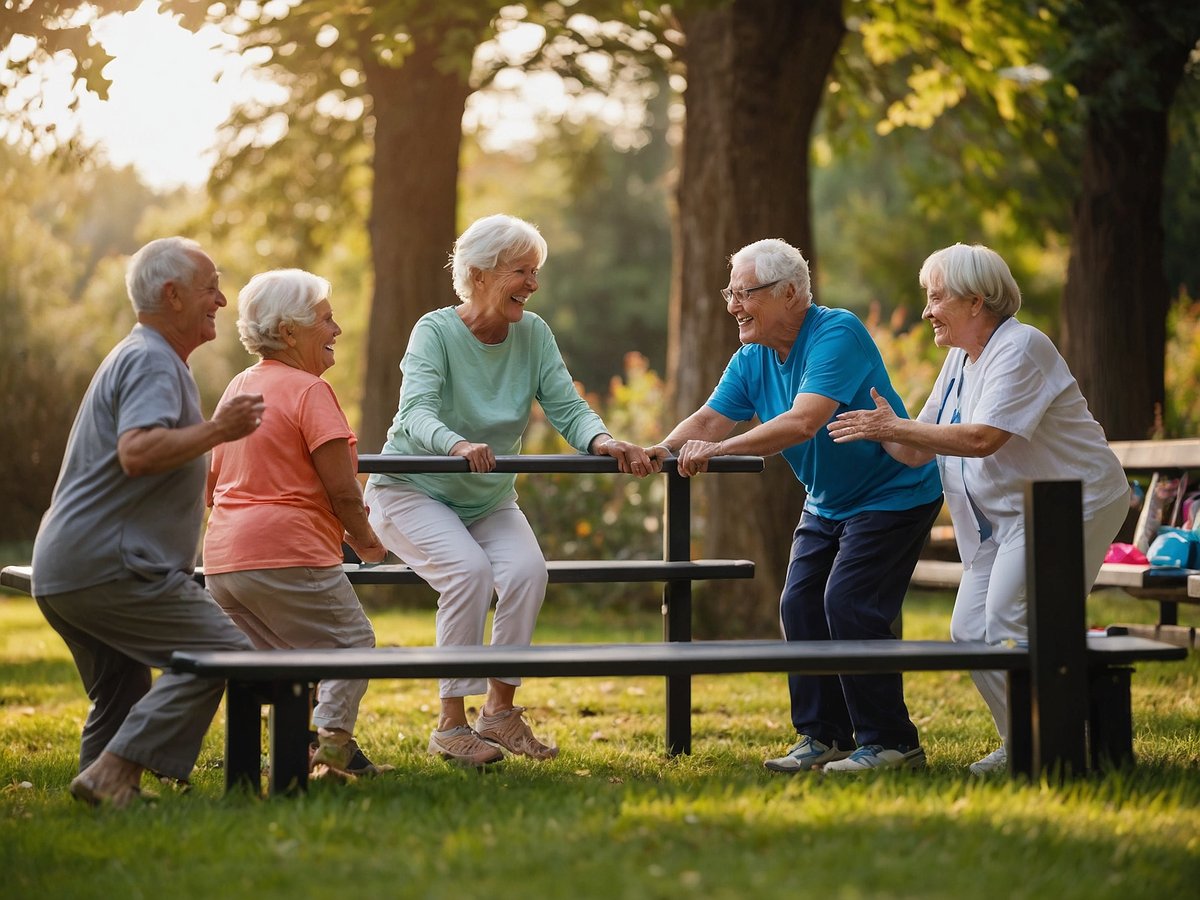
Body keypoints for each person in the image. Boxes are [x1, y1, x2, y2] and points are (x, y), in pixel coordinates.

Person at [364, 213, 655, 766]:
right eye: (521, 271)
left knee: (526, 572)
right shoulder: (435, 330)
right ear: (479, 275)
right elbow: (415, 412)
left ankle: (498, 712)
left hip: (485, 497)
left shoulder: (533, 333)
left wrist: (602, 441)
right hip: (410, 489)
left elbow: (565, 405)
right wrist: (454, 444)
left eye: (535, 271)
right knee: (468, 572)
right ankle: (450, 724)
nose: (533, 284)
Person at [827, 242, 1129, 776]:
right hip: (1008, 518)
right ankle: (1026, 740)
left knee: (1012, 619)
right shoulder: (959, 360)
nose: (926, 311)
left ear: (975, 300)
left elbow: (982, 437)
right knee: (970, 631)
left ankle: (1059, 742)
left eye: (935, 297)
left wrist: (893, 428)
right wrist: (875, 432)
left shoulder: (1022, 348)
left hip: (1072, 504)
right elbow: (921, 446)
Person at [645, 238, 943, 774]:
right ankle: (824, 736)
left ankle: (893, 742)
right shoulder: (752, 356)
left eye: (744, 293)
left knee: (849, 603)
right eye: (729, 292)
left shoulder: (836, 332)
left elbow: (803, 421)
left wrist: (717, 452)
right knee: (800, 605)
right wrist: (658, 451)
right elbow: (711, 419)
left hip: (893, 493)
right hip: (827, 501)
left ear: (789, 294)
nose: (733, 305)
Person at [30, 237, 262, 807]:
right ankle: (116, 770)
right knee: (224, 656)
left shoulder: (141, 355)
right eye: (211, 288)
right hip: (113, 568)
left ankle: (107, 791)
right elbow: (138, 451)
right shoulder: (152, 359)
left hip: (68, 569)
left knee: (122, 690)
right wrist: (219, 430)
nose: (223, 299)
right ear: (172, 294)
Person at [202, 269, 391, 777]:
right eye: (326, 320)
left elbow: (209, 484)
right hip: (288, 553)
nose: (337, 330)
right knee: (354, 644)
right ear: (289, 332)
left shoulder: (238, 387)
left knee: (290, 669)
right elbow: (343, 490)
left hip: (223, 564)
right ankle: (331, 747)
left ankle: (305, 758)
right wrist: (369, 543)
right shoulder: (310, 392)